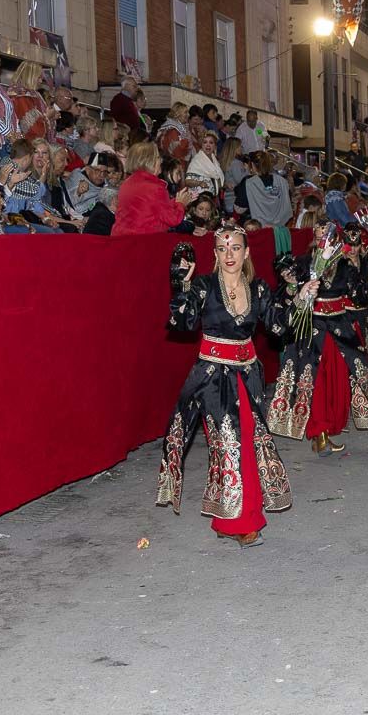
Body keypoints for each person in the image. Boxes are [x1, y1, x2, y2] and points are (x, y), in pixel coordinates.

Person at [157, 225, 296, 548]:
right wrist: (181, 284)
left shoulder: (258, 288)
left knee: (247, 441)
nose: (229, 254)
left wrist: (296, 295)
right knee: (230, 443)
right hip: (213, 378)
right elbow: (183, 322)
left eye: (235, 248)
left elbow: (278, 327)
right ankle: (242, 522)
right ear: (216, 254)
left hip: (248, 377)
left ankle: (227, 518)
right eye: (223, 248)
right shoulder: (204, 286)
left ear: (246, 253)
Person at [268, 219, 368, 454]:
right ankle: (319, 432)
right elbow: (283, 296)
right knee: (316, 380)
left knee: (340, 379)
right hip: (313, 330)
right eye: (322, 237)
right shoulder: (302, 264)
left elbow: (359, 297)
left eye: (330, 238)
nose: (326, 242)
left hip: (340, 331)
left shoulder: (345, 266)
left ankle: (327, 430)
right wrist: (292, 287)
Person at [111, 142, 194, 236]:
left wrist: (176, 202)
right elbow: (173, 220)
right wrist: (181, 204)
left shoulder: (126, 184)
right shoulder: (155, 188)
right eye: (158, 158)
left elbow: (151, 208)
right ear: (149, 161)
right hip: (144, 243)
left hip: (122, 240)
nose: (161, 161)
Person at [240, 151, 291, 228]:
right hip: (280, 230)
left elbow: (239, 209)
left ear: (252, 165)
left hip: (258, 229)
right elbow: (288, 203)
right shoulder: (282, 181)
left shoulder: (248, 183)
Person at [7, 61, 51, 142]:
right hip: (27, 143)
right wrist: (47, 117)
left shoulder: (33, 95)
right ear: (29, 76)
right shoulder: (20, 97)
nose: (41, 81)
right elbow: (32, 129)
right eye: (39, 77)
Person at [185, 131, 224, 197]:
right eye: (205, 142)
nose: (208, 145)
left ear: (215, 146)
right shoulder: (197, 160)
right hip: (199, 199)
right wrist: (199, 183)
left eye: (211, 143)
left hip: (213, 198)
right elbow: (187, 181)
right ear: (201, 144)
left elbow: (217, 178)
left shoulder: (215, 160)